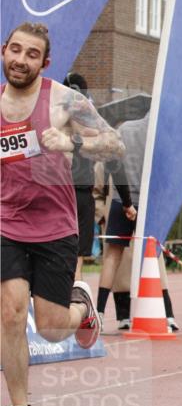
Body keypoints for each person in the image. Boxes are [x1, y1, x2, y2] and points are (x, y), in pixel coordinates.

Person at [1, 22, 124, 406]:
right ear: (4, 51)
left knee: (52, 328)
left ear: (45, 62)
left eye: (31, 54)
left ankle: (82, 308)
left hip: (54, 225)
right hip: (7, 223)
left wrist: (72, 144)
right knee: (10, 312)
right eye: (16, 50)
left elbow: (115, 143)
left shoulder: (64, 100)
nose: (21, 60)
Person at [96, 111, 178, 332]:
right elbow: (166, 171)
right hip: (148, 201)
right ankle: (168, 315)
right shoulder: (162, 135)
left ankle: (99, 314)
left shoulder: (124, 129)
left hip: (120, 199)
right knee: (154, 256)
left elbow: (111, 164)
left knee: (112, 257)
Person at [63, 73, 96, 281]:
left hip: (61, 191)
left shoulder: (53, 117)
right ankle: (74, 289)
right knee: (77, 254)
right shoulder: (90, 121)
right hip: (78, 191)